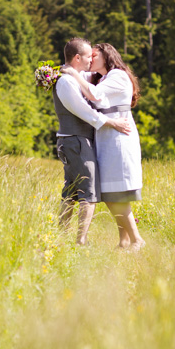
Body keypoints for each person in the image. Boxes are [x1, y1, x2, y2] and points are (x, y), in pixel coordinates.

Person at [62, 43, 145, 250]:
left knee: (114, 192)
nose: (90, 59)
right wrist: (56, 73)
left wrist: (73, 72)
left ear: (106, 56)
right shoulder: (101, 77)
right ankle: (124, 241)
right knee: (110, 191)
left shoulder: (118, 75)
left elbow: (94, 94)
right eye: (88, 56)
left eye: (94, 55)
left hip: (118, 137)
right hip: (106, 137)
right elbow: (75, 76)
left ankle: (137, 240)